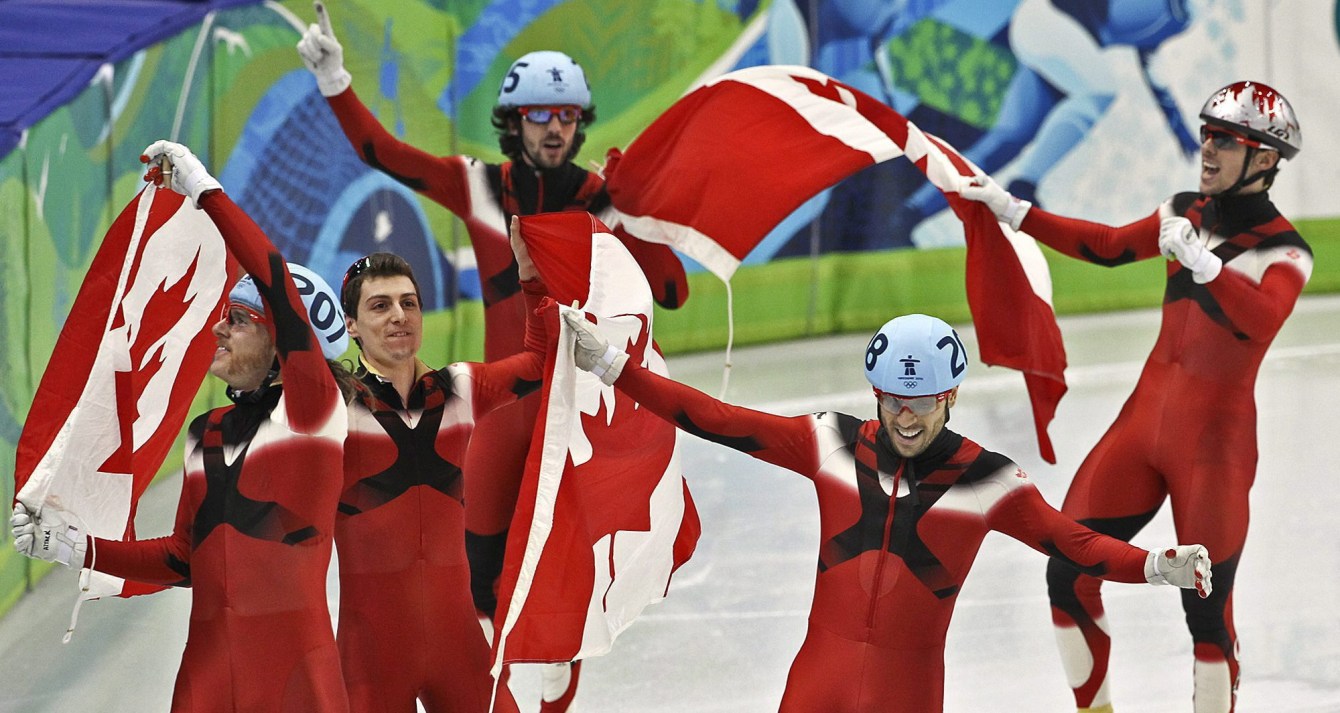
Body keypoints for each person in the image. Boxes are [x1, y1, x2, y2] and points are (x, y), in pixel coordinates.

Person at [297, 9, 686, 709]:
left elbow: (673, 291)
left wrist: (639, 210)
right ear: (514, 121)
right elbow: (384, 153)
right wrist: (335, 78)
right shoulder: (481, 187)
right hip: (499, 413)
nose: (555, 127)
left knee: (562, 598)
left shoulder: (603, 203)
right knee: (476, 587)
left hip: (574, 425)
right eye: (539, 113)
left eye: (567, 114)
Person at [558, 308, 1212, 713]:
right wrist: (613, 365)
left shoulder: (988, 481)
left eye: (921, 399)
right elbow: (716, 418)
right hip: (819, 679)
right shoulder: (829, 441)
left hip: (908, 689)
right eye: (893, 397)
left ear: (950, 395)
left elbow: (1075, 544)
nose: (905, 414)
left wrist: (1156, 564)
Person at [960, 80, 1309, 713]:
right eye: (1205, 132)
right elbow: (1108, 246)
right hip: (1142, 427)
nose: (1207, 148)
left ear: (1264, 160)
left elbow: (1261, 319)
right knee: (1065, 570)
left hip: (1214, 448)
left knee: (1206, 614)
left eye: (1225, 140)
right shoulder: (1183, 209)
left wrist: (1207, 268)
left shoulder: (1287, 250)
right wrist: (1016, 211)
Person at [11, 141, 358, 712]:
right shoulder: (208, 431)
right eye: (224, 314)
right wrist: (83, 550)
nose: (219, 329)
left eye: (240, 319)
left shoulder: (313, 414)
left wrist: (205, 193)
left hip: (296, 678)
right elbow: (183, 558)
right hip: (208, 675)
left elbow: (273, 276)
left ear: (282, 345)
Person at [334, 226, 548, 712]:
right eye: (380, 305)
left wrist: (531, 279)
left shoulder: (459, 388)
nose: (399, 316)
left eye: (409, 303)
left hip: (461, 646)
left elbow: (538, 360)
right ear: (350, 325)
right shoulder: (334, 408)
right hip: (371, 658)